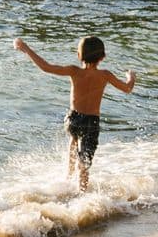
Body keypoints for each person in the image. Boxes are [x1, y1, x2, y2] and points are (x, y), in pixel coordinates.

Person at [14, 35, 136, 190]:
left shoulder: (74, 71)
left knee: (74, 140)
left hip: (73, 119)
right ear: (102, 57)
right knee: (84, 162)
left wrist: (25, 48)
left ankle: (68, 175)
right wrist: (131, 77)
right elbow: (127, 88)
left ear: (79, 55)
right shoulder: (105, 75)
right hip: (91, 122)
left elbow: (46, 67)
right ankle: (81, 191)